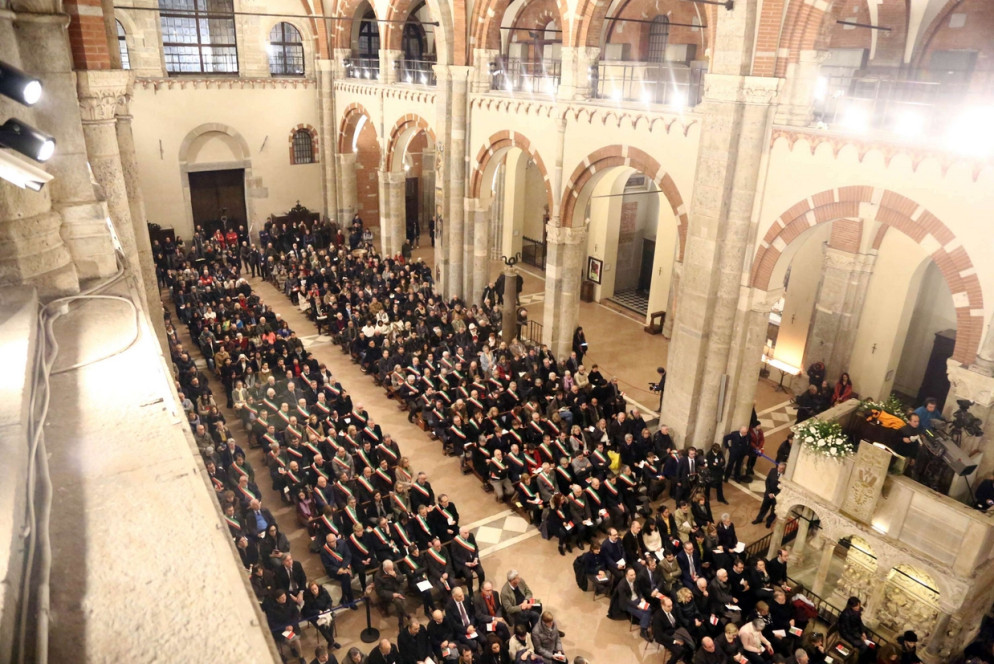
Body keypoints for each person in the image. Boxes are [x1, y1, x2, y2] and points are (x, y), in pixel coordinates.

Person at [838, 596, 873, 664]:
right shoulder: (846, 615)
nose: (858, 607)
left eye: (859, 605)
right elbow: (849, 629)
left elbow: (860, 623)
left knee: (870, 641)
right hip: (847, 633)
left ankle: (867, 657)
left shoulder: (856, 612)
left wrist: (863, 632)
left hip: (855, 632)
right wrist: (860, 637)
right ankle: (859, 661)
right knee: (864, 646)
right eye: (856, 606)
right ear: (851, 605)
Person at [752, 462, 785, 528]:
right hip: (768, 494)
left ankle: (769, 522)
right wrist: (768, 492)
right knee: (764, 507)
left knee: (773, 511)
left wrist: (774, 494)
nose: (779, 470)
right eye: (779, 468)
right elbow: (767, 481)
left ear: (784, 469)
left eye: (781, 469)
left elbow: (783, 489)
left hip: (776, 497)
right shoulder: (773, 470)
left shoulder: (785, 477)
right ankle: (759, 519)